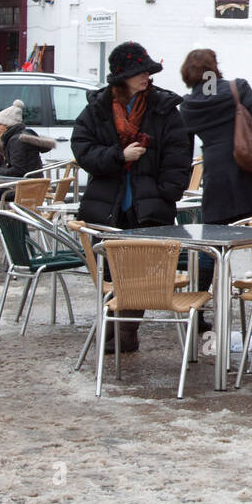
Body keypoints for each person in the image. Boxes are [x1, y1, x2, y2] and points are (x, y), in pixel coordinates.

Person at [72, 41, 192, 353]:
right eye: (139, 72)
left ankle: (126, 333)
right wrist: (118, 155)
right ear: (120, 76)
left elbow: (179, 155)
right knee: (110, 271)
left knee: (139, 273)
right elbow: (82, 149)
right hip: (107, 204)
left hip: (148, 205)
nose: (146, 76)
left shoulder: (163, 108)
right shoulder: (98, 108)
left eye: (148, 71)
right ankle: (114, 330)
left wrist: (167, 192)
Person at [178, 49, 252, 332]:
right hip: (249, 172)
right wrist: (251, 144)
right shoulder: (237, 88)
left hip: (217, 178)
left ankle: (196, 311)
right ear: (215, 67)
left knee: (210, 244)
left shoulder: (188, 105)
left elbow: (182, 146)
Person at [0, 99, 56, 177]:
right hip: (35, 181)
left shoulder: (16, 140)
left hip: (27, 184)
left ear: (8, 125)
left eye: (0, 124)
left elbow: (18, 170)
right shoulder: (23, 135)